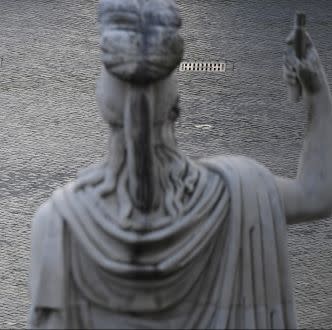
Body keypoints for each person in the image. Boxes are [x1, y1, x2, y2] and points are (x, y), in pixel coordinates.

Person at [28, 0, 332, 328]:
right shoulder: (242, 192)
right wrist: (316, 89)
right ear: (173, 100)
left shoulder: (59, 225)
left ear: (104, 100)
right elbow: (318, 192)